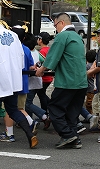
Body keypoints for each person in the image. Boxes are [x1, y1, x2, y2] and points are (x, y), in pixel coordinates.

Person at [36, 13, 87, 149]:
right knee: (72, 112)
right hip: (81, 82)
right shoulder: (77, 37)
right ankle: (74, 138)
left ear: (61, 23)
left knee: (54, 108)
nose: (55, 28)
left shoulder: (62, 36)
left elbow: (52, 58)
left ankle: (67, 135)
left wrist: (40, 70)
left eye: (55, 25)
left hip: (67, 82)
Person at [0, 22, 38, 148]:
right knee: (13, 110)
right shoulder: (13, 36)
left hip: (1, 78)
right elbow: (21, 59)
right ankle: (30, 134)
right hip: (13, 79)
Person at [36, 31, 53, 129]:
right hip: (49, 77)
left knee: (41, 95)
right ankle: (46, 110)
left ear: (40, 40)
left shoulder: (42, 51)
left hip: (43, 77)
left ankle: (45, 111)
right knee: (42, 94)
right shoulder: (49, 49)